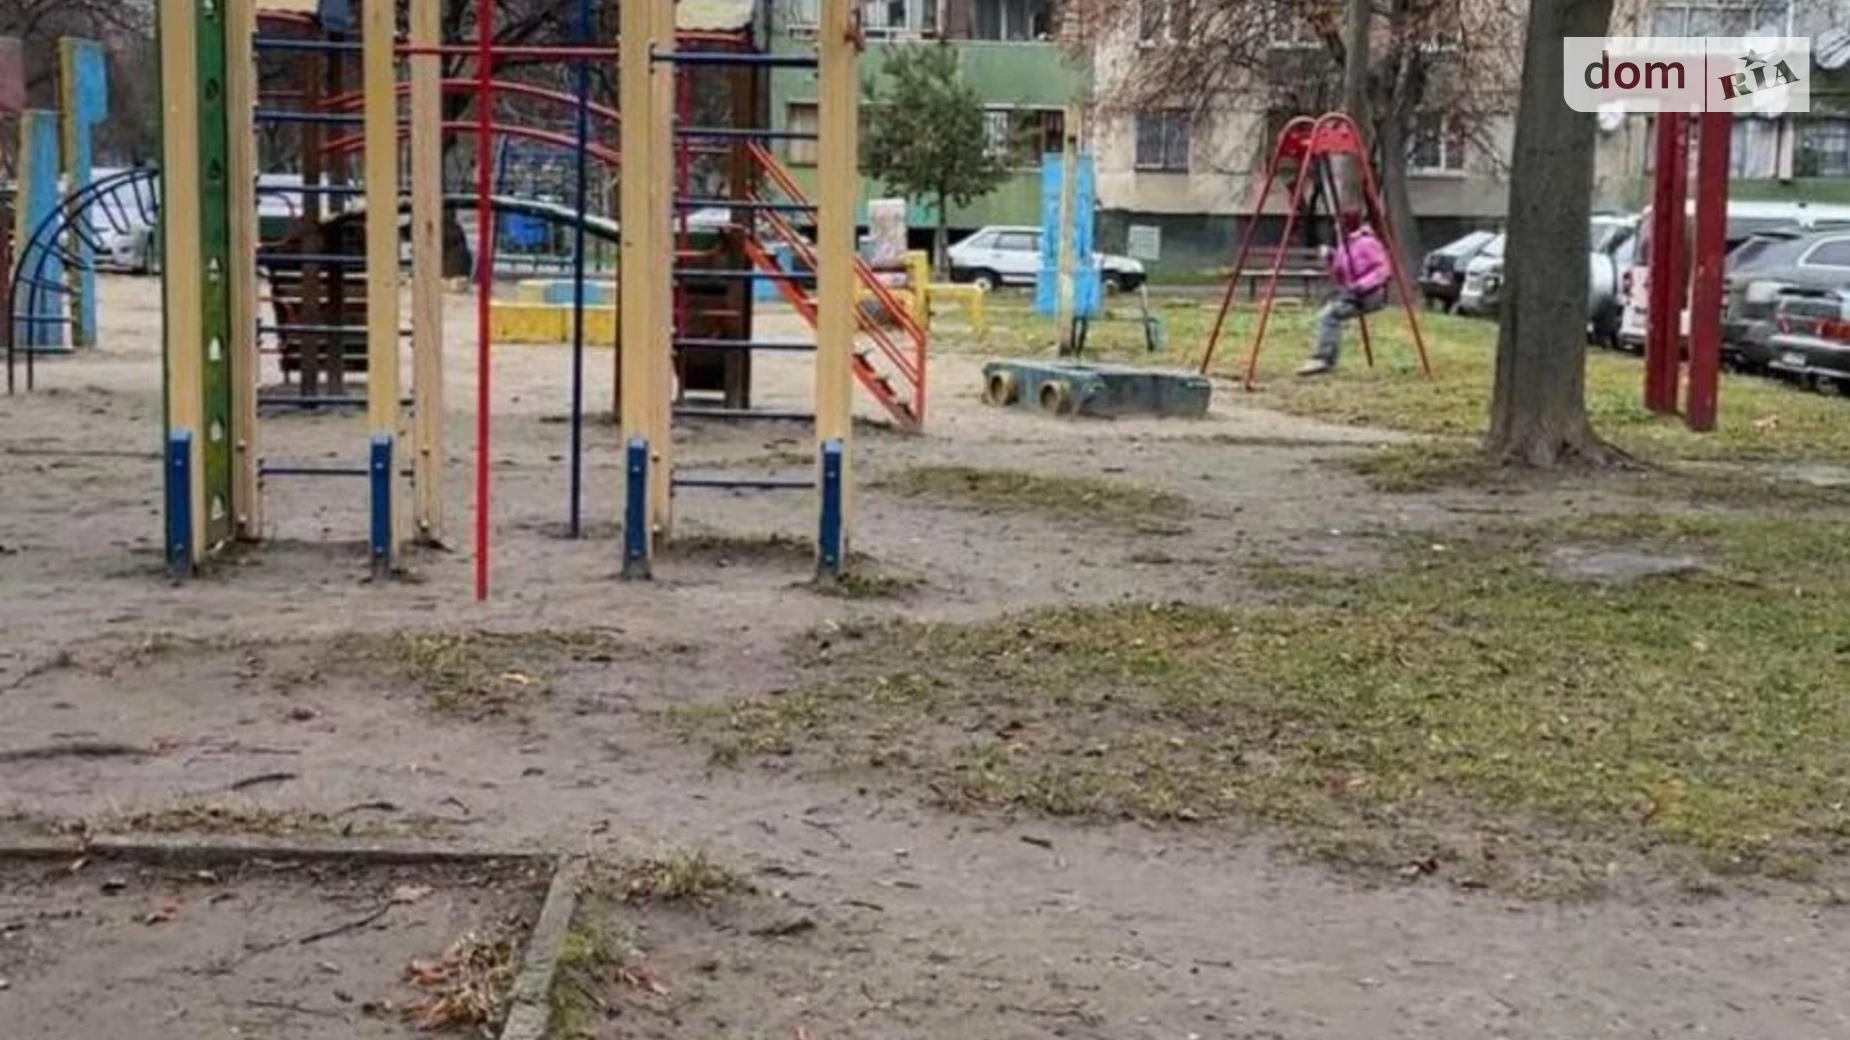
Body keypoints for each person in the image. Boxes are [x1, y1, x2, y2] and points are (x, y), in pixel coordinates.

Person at [1298, 211, 1391, 376]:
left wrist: (1362, 285)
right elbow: (1340, 273)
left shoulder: (1367, 243)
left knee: (1329, 315)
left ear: (1348, 225)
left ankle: (1324, 358)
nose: (1335, 227)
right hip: (1352, 294)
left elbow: (1382, 269)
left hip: (1370, 294)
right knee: (1328, 312)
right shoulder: (1345, 244)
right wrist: (1331, 256)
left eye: (1338, 223)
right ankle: (1326, 356)